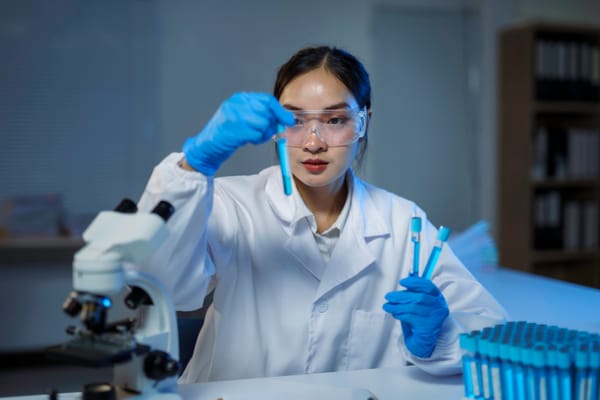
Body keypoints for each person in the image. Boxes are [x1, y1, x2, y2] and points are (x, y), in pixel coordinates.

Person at [135, 45, 507, 383]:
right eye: (296, 120)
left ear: (363, 122)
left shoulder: (400, 222)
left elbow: (492, 331)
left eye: (334, 121)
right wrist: (192, 166)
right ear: (277, 127)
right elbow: (164, 285)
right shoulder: (233, 205)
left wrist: (439, 335)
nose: (313, 142)